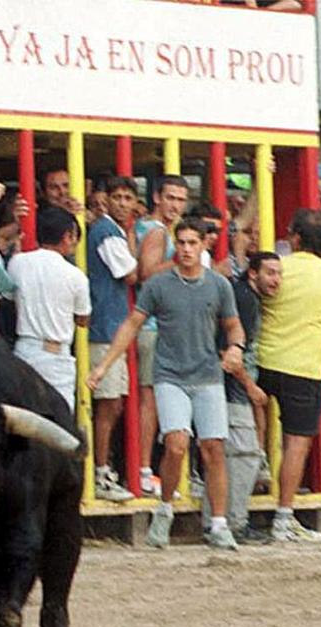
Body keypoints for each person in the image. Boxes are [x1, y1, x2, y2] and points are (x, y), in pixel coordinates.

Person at [88, 219, 246, 551]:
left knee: (214, 447)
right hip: (170, 374)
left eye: (193, 243)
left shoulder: (219, 285)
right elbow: (132, 323)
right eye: (183, 243)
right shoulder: (159, 285)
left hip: (207, 375)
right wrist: (104, 365)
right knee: (176, 444)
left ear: (204, 245)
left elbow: (234, 326)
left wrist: (236, 348)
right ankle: (165, 508)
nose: (187, 249)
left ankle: (218, 523)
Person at [257, 209, 321, 542]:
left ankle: (252, 481)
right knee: (296, 445)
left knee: (254, 430)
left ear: (295, 238)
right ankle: (283, 517)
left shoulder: (279, 267)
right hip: (305, 368)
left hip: (264, 359)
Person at [210, 251, 281, 545]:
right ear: (253, 273)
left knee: (227, 457)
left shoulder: (242, 295)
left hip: (225, 387)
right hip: (233, 389)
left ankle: (218, 521)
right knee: (244, 456)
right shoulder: (246, 301)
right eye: (270, 273)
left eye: (278, 273)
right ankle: (234, 522)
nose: (276, 280)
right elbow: (231, 353)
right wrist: (250, 387)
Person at [134, 175, 190, 495]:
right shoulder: (156, 231)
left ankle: (153, 471)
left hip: (160, 327)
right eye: (170, 198)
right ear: (157, 197)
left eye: (181, 200)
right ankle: (145, 470)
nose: (176, 205)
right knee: (151, 400)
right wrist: (179, 261)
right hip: (153, 326)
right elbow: (146, 272)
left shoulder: (161, 230)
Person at [86, 177, 139, 501]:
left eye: (128, 197)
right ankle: (100, 473)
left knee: (114, 404)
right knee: (107, 405)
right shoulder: (106, 232)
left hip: (113, 328)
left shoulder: (112, 231)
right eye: (116, 196)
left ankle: (103, 469)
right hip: (105, 328)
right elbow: (131, 274)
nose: (122, 202)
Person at [7, 208, 91, 412]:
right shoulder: (75, 276)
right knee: (60, 421)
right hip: (56, 356)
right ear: (67, 236)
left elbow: (9, 298)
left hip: (24, 350)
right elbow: (83, 319)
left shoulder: (17, 263)